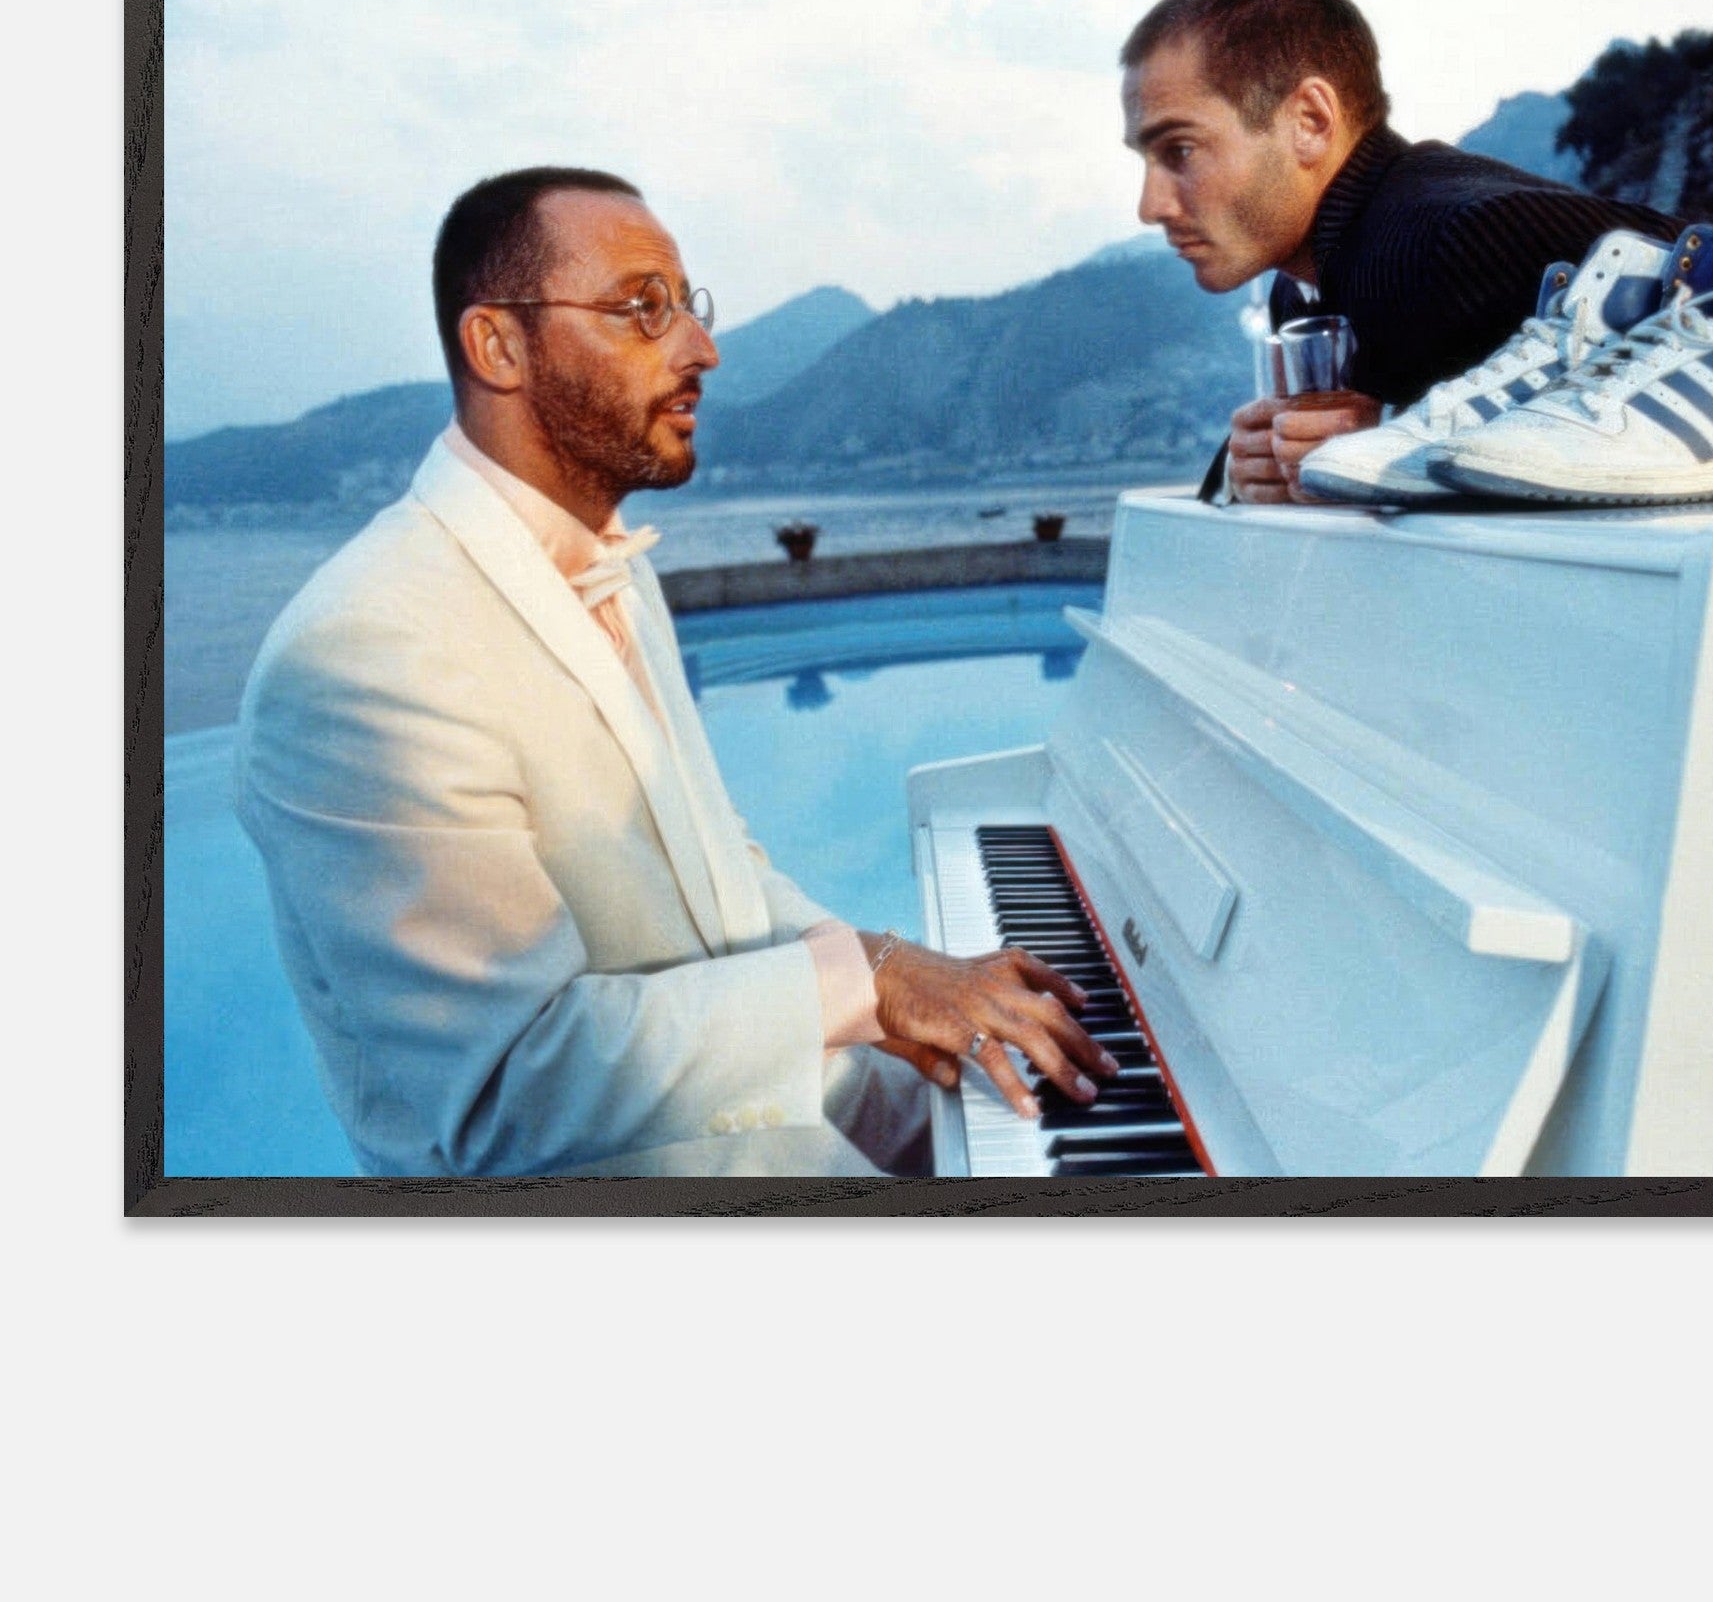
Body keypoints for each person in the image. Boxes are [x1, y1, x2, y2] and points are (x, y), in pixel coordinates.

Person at [236, 167, 1119, 1178]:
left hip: (763, 1099)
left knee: (1062, 1119)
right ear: (498, 346)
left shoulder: (613, 565)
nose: (701, 348)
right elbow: (507, 1092)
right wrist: (863, 978)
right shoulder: (362, 655)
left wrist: (901, 981)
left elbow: (718, 869)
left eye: (686, 308)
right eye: (641, 309)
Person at [1119, 0, 1686, 503]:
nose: (1151, 206)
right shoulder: (1297, 289)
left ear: (1310, 122)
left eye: (1181, 151)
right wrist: (1249, 471)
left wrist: (1395, 443)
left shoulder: (1458, 240)